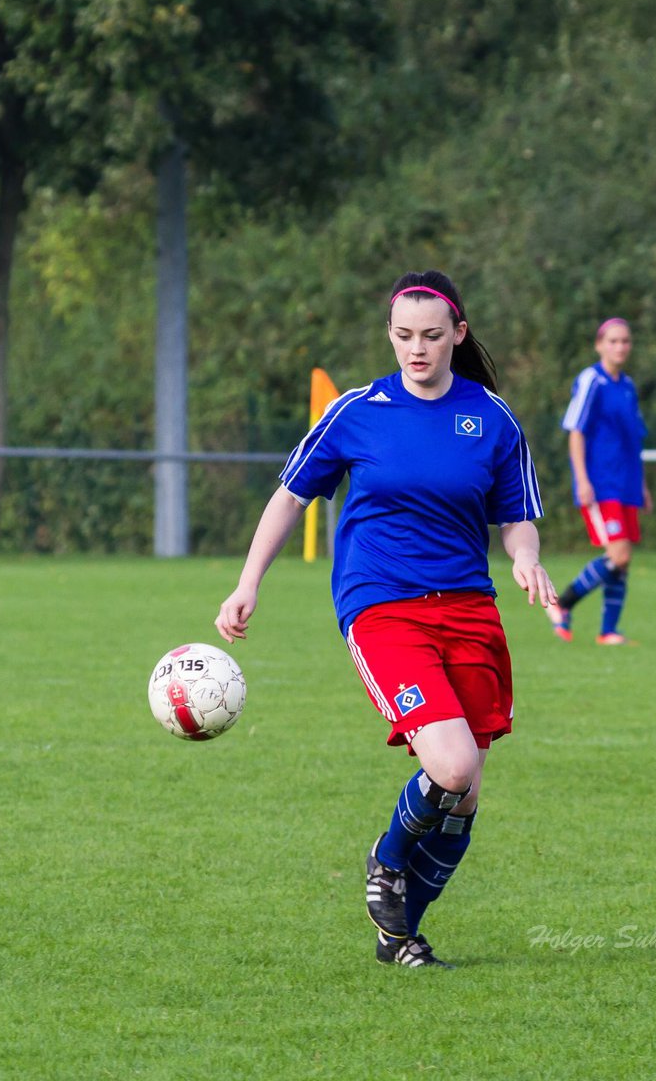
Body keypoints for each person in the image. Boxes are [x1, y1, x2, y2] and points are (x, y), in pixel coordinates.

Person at [215, 269, 556, 968]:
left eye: (432, 336)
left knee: (463, 803)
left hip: (469, 610)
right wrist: (247, 582)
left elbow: (517, 517)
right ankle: (387, 857)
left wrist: (526, 559)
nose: (417, 349)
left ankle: (399, 936)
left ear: (458, 334)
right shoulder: (356, 411)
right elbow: (289, 497)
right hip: (383, 608)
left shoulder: (492, 418)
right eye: (404, 336)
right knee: (453, 766)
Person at [546, 317, 651, 646]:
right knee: (618, 556)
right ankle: (562, 605)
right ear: (599, 345)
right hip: (601, 483)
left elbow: (632, 441)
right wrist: (582, 479)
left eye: (625, 341)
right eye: (614, 341)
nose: (620, 347)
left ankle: (608, 631)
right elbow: (575, 429)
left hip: (626, 484)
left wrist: (642, 485)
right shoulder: (592, 380)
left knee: (623, 561)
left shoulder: (628, 386)